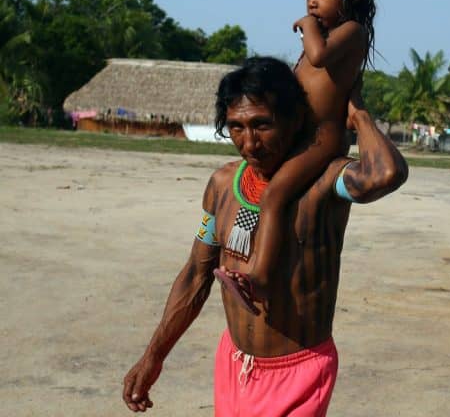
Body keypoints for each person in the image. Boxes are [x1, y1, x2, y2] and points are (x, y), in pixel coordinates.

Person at [122, 57, 408, 415]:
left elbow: (385, 173)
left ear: (294, 119)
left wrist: (358, 115)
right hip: (235, 365)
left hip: (299, 373)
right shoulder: (223, 185)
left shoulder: (323, 183)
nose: (249, 142)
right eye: (236, 127)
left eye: (262, 125)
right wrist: (153, 357)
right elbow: (196, 275)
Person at [220, 0, 378, 311]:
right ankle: (246, 248)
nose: (311, 3)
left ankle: (259, 275)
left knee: (275, 196)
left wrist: (308, 30)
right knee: (259, 189)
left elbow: (319, 56)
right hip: (302, 136)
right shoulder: (324, 37)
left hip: (321, 140)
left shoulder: (352, 31)